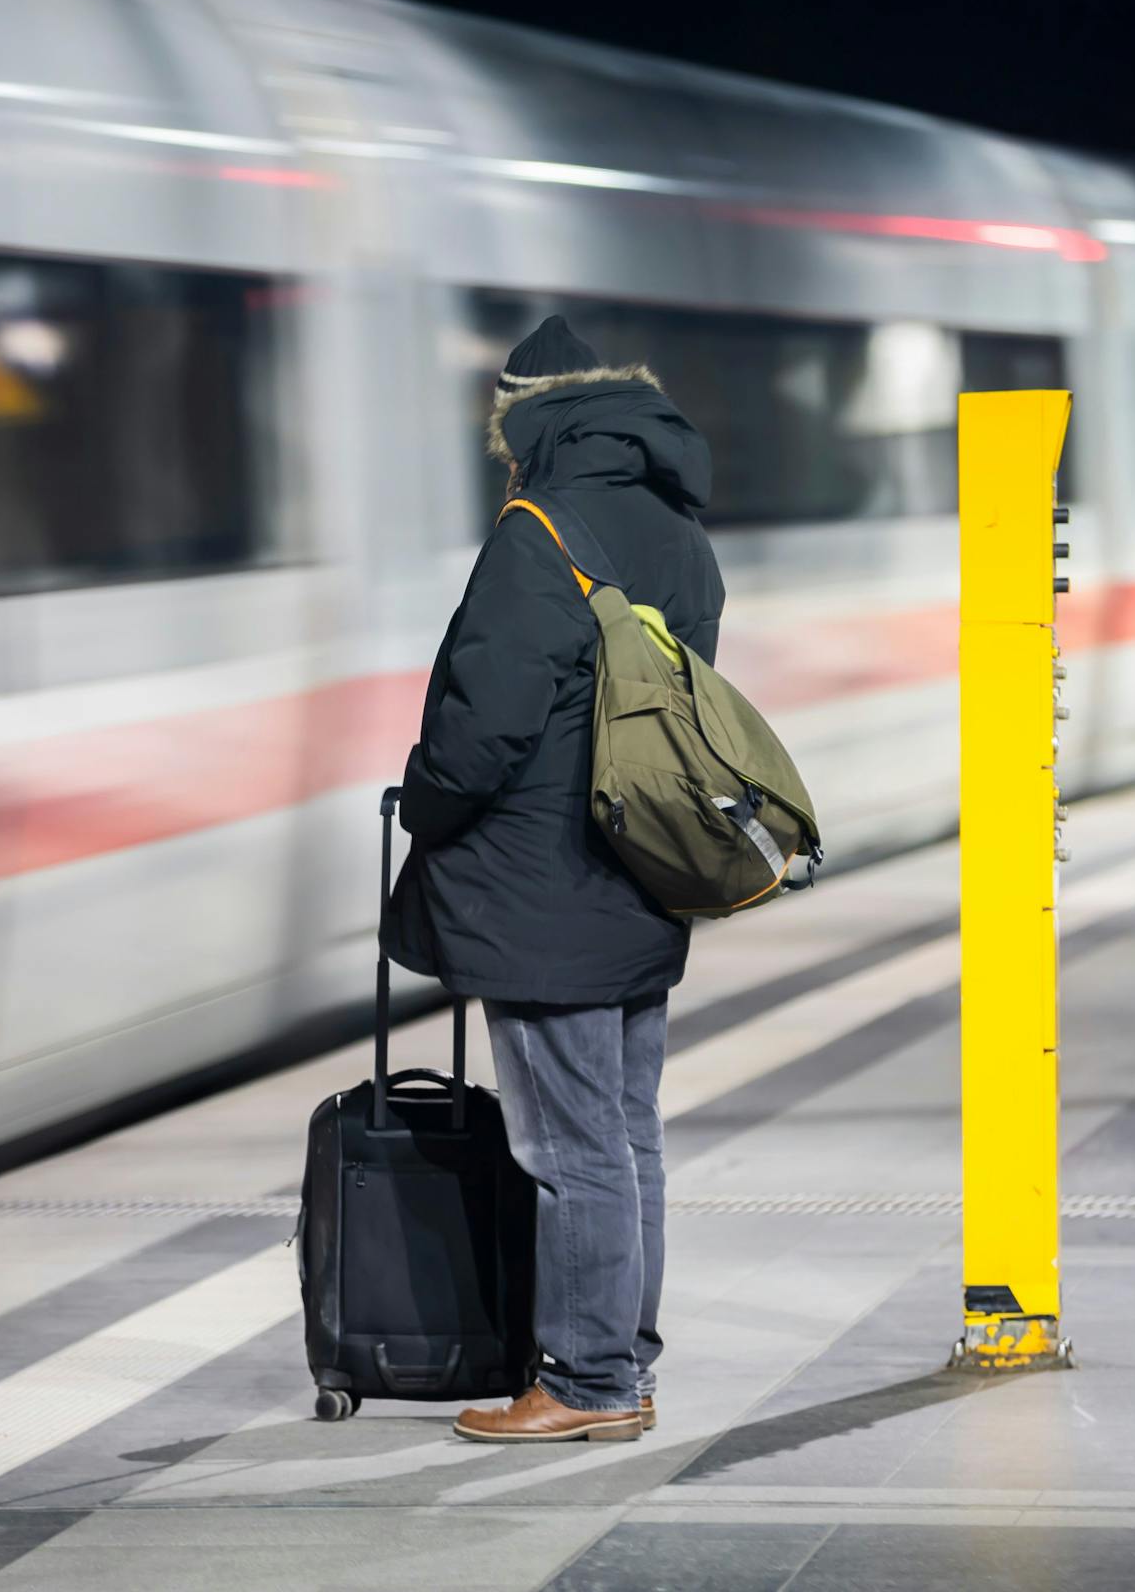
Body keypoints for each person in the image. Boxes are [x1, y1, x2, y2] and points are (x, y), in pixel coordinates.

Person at [384, 313, 724, 1443]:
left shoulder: (539, 528)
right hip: (638, 865)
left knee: (570, 1145)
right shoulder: (679, 527)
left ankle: (584, 1383)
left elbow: (481, 729)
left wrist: (422, 802)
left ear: (523, 416)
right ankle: (620, 1359)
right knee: (626, 1134)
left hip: (539, 887)